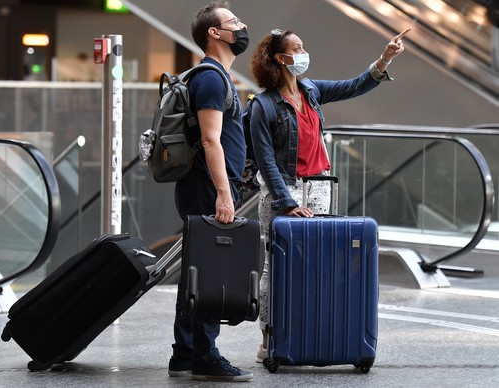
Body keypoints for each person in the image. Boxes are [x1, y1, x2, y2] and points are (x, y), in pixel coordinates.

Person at [249, 27, 412, 362]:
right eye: (297, 47)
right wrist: (288, 203)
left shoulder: (310, 90)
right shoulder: (262, 106)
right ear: (281, 58)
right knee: (275, 265)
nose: (304, 52)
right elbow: (265, 160)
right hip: (284, 190)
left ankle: (307, 330)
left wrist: (385, 58)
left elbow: (354, 86)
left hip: (320, 186)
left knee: (315, 263)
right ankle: (269, 338)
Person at [168, 1, 253, 382]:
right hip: (207, 187)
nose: (242, 25)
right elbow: (210, 139)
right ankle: (205, 355)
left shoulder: (210, 76)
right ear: (214, 34)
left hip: (202, 185)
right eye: (233, 22)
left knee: (195, 269)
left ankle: (185, 353)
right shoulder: (212, 79)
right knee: (210, 269)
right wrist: (223, 192)